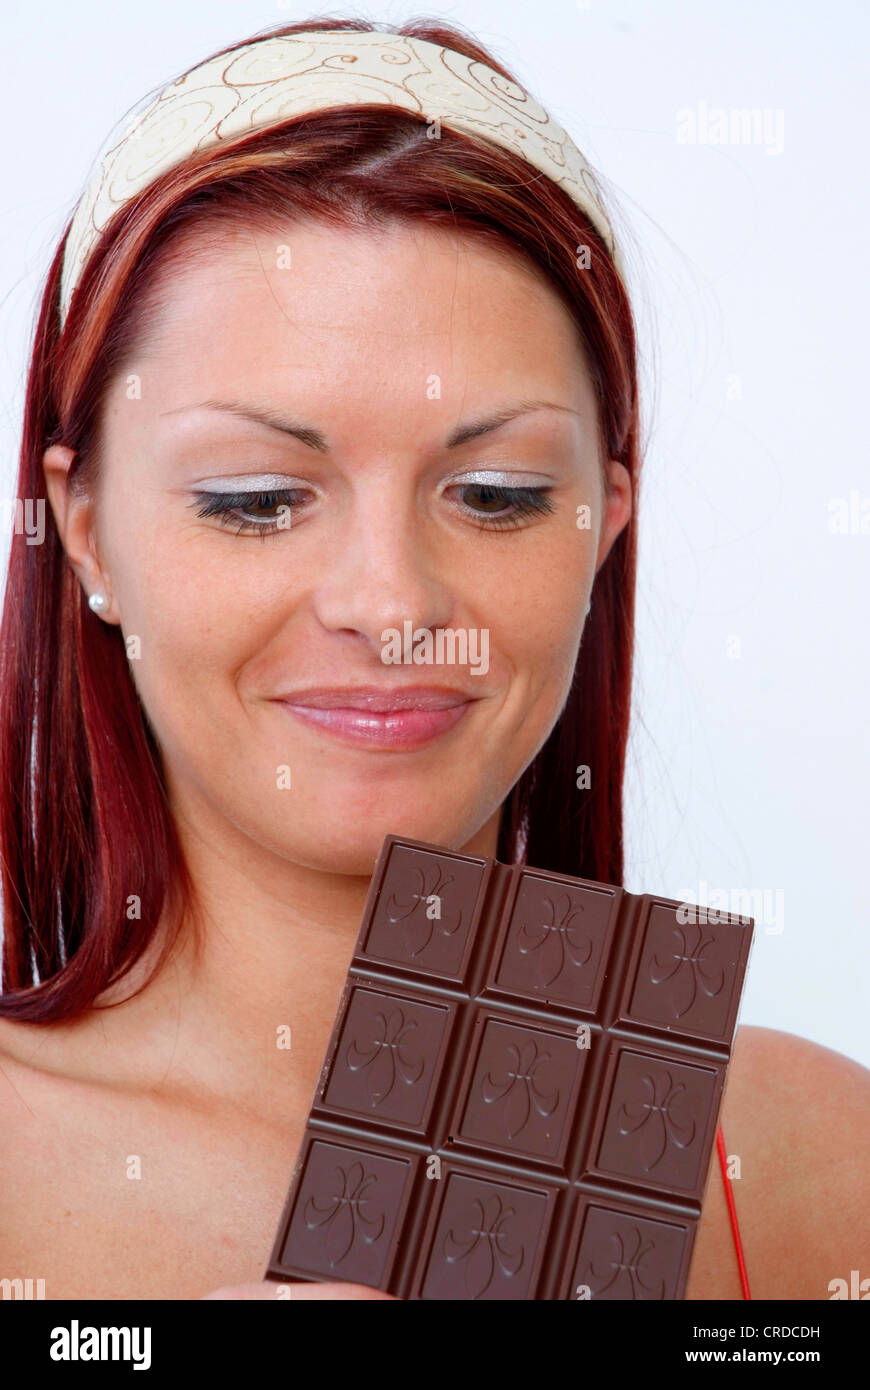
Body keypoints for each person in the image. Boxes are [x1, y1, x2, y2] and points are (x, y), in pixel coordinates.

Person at [0, 17, 866, 1302]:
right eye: (255, 498)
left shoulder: (813, 1163)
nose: (391, 601)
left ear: (603, 524)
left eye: (500, 492)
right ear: (85, 534)